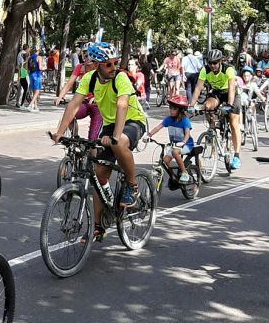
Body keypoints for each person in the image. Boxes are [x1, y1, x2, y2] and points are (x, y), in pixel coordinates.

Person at [52, 42, 148, 239]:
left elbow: (122, 106)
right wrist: (60, 133)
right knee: (98, 176)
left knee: (120, 142)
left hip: (132, 121)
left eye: (115, 63)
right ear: (96, 65)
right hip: (111, 125)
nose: (113, 67)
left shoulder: (121, 78)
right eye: (108, 64)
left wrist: (114, 136)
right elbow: (73, 104)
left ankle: (132, 184)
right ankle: (98, 226)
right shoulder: (89, 78)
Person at [188, 49, 243, 171]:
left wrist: (228, 105)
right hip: (217, 93)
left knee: (234, 123)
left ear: (220, 61)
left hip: (231, 93)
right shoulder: (205, 70)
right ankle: (212, 129)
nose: (212, 65)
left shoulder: (228, 69)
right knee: (207, 106)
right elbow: (198, 88)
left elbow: (232, 89)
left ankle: (237, 156)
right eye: (210, 63)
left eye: (215, 63)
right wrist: (192, 105)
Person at [54, 44, 103, 140]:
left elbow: (105, 88)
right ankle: (75, 136)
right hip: (84, 102)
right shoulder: (80, 67)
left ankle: (93, 153)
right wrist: (60, 97)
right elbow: (70, 83)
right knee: (69, 113)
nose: (86, 58)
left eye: (89, 56)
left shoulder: (101, 70)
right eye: (84, 55)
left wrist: (96, 98)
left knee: (92, 140)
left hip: (97, 106)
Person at [144, 94, 193, 183]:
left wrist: (183, 142)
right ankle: (174, 177)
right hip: (175, 145)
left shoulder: (185, 121)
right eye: (170, 108)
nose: (171, 110)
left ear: (180, 110)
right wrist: (149, 135)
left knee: (175, 152)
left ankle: (184, 172)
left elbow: (187, 134)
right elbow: (158, 127)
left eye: (174, 109)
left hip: (187, 145)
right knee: (165, 160)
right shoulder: (169, 119)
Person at [16, 44, 31, 109]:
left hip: (21, 71)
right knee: (24, 88)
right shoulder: (25, 54)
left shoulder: (19, 53)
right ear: (27, 49)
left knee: (20, 88)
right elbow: (23, 64)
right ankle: (21, 103)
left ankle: (18, 102)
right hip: (24, 72)